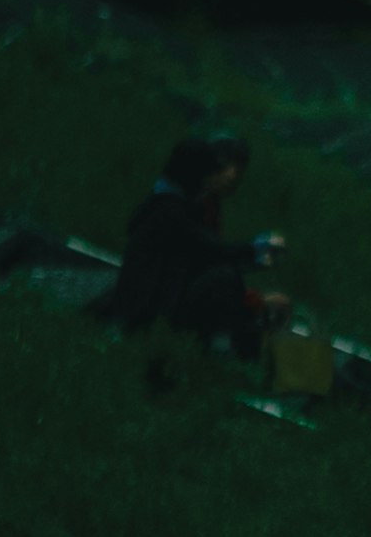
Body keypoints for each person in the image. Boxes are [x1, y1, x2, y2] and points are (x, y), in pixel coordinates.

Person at [96, 123, 289, 366]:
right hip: (150, 310)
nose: (229, 175)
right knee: (225, 281)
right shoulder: (172, 211)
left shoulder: (174, 205)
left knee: (232, 289)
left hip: (160, 299)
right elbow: (208, 254)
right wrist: (256, 251)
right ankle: (221, 352)